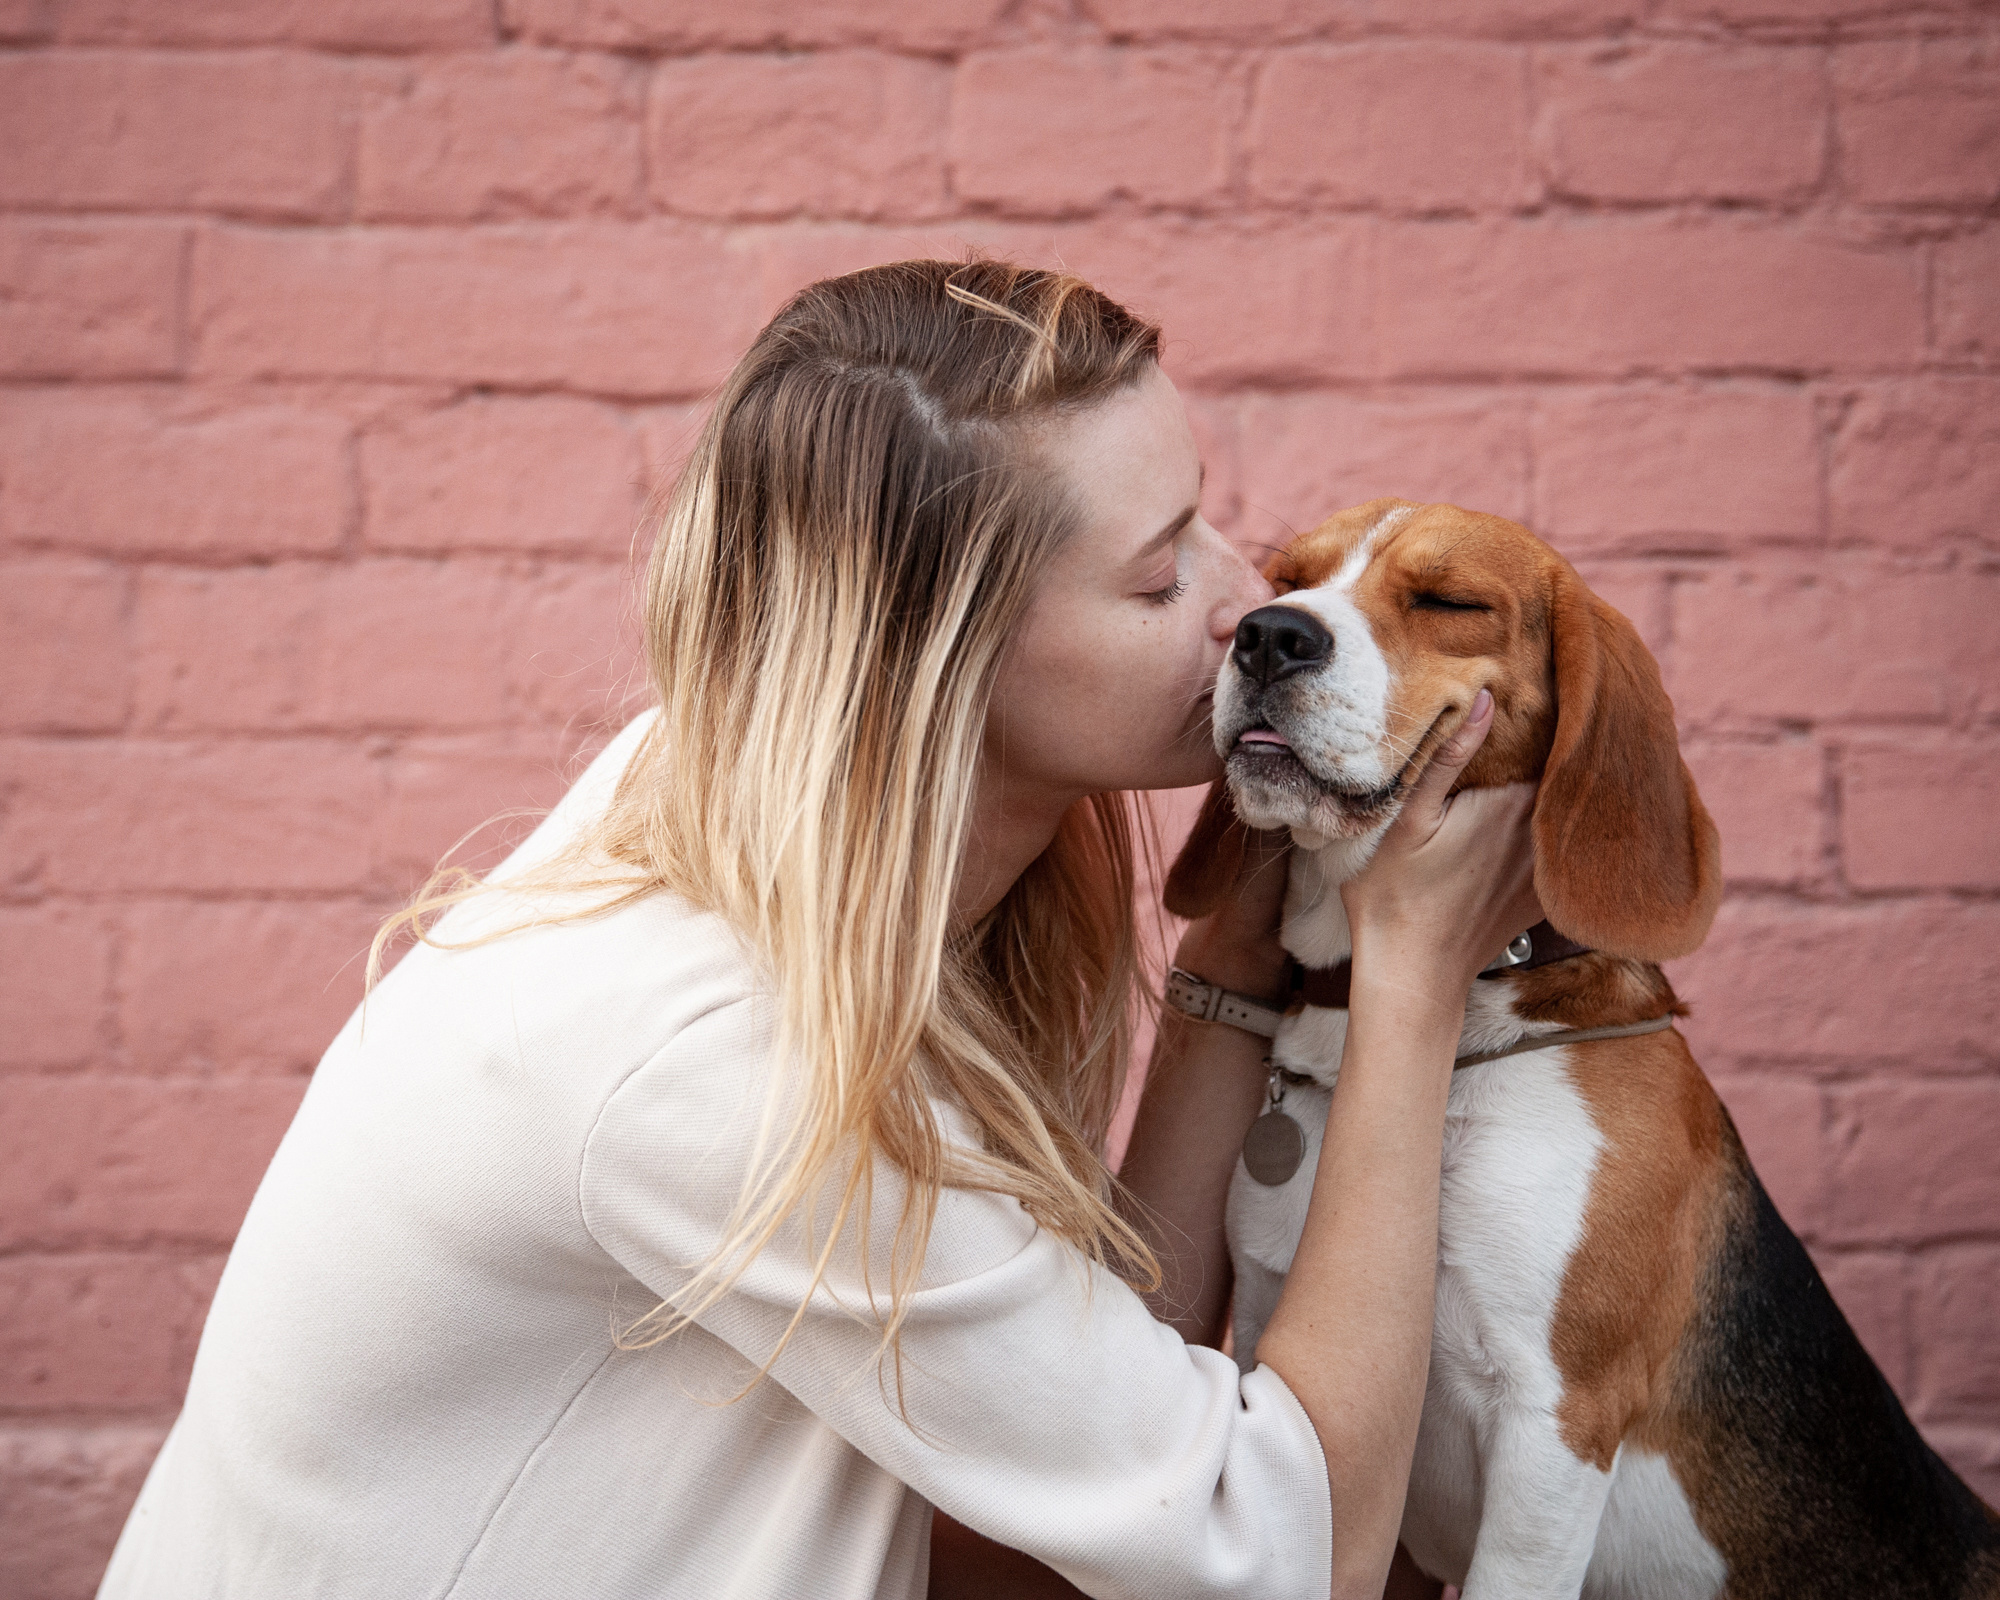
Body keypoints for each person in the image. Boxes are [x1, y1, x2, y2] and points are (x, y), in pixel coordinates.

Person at [97, 259, 1539, 1600]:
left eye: (1208, 517)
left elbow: (1105, 1411)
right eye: (1161, 577)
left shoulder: (755, 799)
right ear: (936, 662)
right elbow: (1286, 1550)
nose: (1250, 599)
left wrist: (1236, 947)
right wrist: (1409, 976)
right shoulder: (711, 1048)